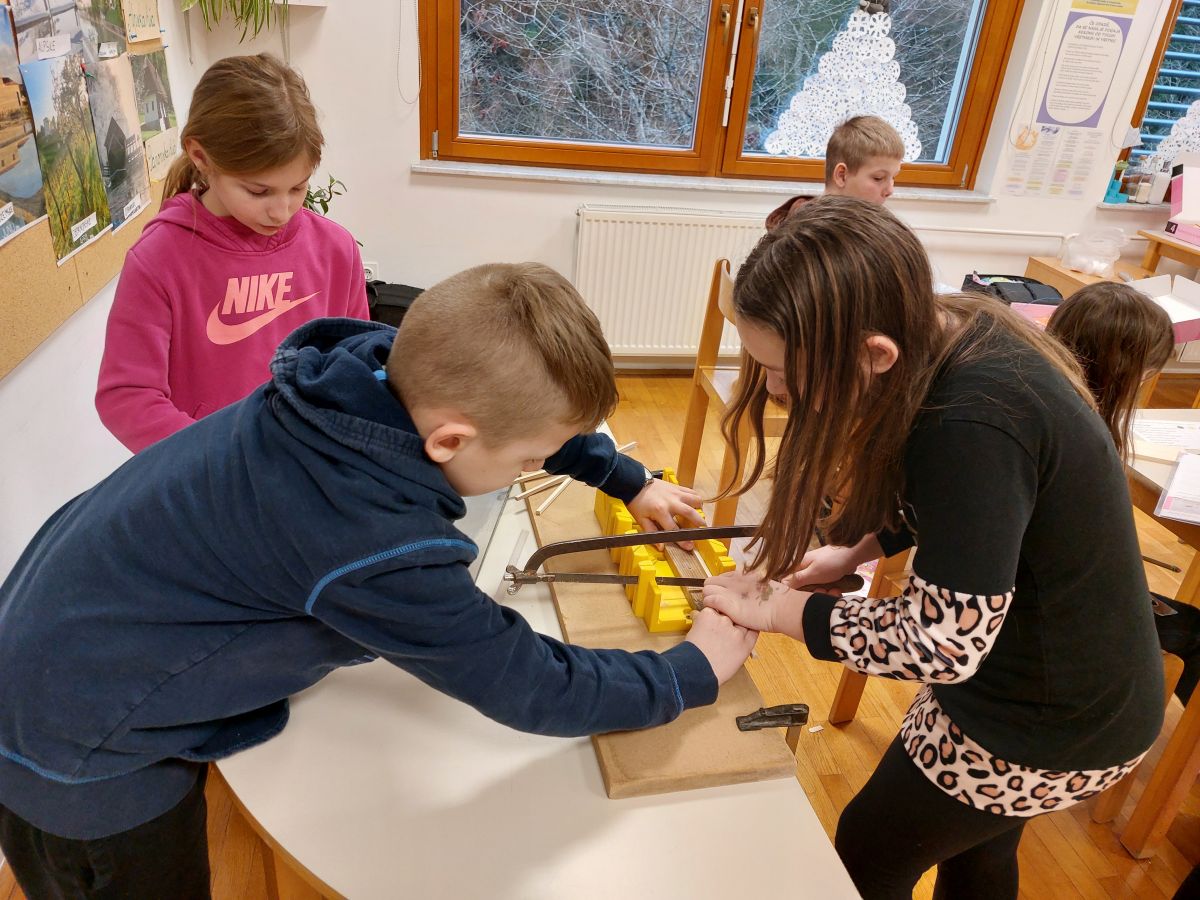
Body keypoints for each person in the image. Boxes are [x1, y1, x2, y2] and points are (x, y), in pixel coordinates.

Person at [0, 262, 755, 898]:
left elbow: (519, 419)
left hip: (52, 654)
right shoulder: (368, 531)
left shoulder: (364, 375)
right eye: (530, 460)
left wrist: (624, 476)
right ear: (449, 440)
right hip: (75, 750)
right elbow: (529, 683)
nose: (535, 466)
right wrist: (689, 671)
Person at [700, 196, 1164, 899]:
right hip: (1054, 682)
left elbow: (939, 643)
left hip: (1053, 716)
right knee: (977, 854)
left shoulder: (972, 420)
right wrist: (857, 551)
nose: (772, 388)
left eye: (785, 372)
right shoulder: (950, 327)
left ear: (874, 354)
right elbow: (961, 509)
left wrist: (777, 611)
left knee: (868, 852)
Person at [96, 53, 369, 453]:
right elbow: (127, 397)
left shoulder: (335, 249)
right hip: (211, 474)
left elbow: (354, 364)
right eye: (259, 191)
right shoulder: (158, 259)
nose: (282, 211)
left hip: (306, 467)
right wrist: (222, 456)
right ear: (201, 158)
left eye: (298, 188)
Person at [1046, 283, 1200, 704]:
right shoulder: (1084, 443)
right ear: (1126, 371)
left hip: (1045, 596)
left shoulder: (1050, 410)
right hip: (1054, 615)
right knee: (1195, 633)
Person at [764, 114, 904, 231]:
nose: (890, 190)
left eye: (893, 178)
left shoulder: (869, 226)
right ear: (842, 175)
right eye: (878, 178)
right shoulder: (806, 234)